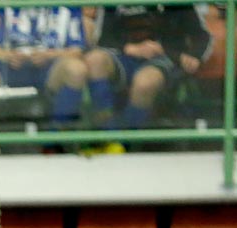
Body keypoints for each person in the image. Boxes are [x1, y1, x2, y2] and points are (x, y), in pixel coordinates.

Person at [84, 4, 212, 152]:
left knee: (145, 82)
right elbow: (101, 39)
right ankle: (106, 133)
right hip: (124, 53)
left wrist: (194, 56)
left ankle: (123, 143)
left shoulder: (181, 3)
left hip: (165, 57)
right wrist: (129, 48)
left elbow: (203, 35)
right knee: (95, 60)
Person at [0, 6, 89, 130]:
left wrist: (50, 55)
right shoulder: (4, 4)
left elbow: (77, 50)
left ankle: (57, 136)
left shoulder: (70, 5)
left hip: (50, 69)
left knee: (76, 69)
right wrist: (6, 55)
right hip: (8, 69)